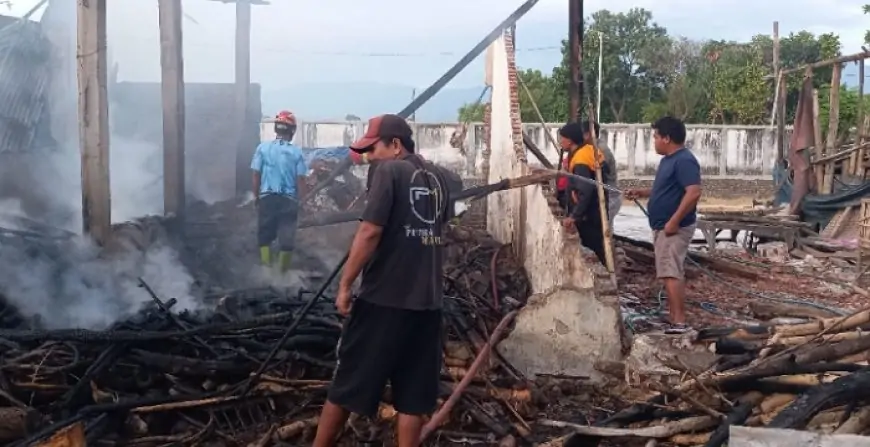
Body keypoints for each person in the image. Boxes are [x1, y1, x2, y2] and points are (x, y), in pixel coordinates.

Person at [313, 114, 450, 447]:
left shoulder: (389, 172)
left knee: (348, 384)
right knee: (413, 396)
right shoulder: (440, 179)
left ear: (395, 145)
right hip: (428, 303)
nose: (369, 157)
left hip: (384, 300)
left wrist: (345, 285)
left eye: (373, 149)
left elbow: (370, 231)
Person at [625, 116, 701, 334]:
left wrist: (674, 221)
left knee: (671, 272)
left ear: (667, 138)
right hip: (663, 226)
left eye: (656, 137)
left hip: (674, 228)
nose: (654, 141)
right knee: (668, 272)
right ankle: (674, 318)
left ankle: (679, 323)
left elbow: (693, 192)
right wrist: (642, 192)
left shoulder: (684, 160)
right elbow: (667, 190)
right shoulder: (668, 160)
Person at [250, 110, 309, 272]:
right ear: (292, 130)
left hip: (267, 198)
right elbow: (301, 179)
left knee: (264, 235)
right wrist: (303, 201)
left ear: (276, 128)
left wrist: (256, 196)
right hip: (289, 200)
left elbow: (256, 174)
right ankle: (282, 274)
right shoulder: (296, 152)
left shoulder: (262, 148)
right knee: (287, 238)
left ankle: (267, 270)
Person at [559, 122, 609, 265]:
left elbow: (585, 191)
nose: (560, 142)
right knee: (599, 246)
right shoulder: (589, 150)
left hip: (589, 214)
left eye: (562, 139)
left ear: (569, 140)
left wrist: (575, 216)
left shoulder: (581, 160)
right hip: (599, 208)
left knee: (591, 249)